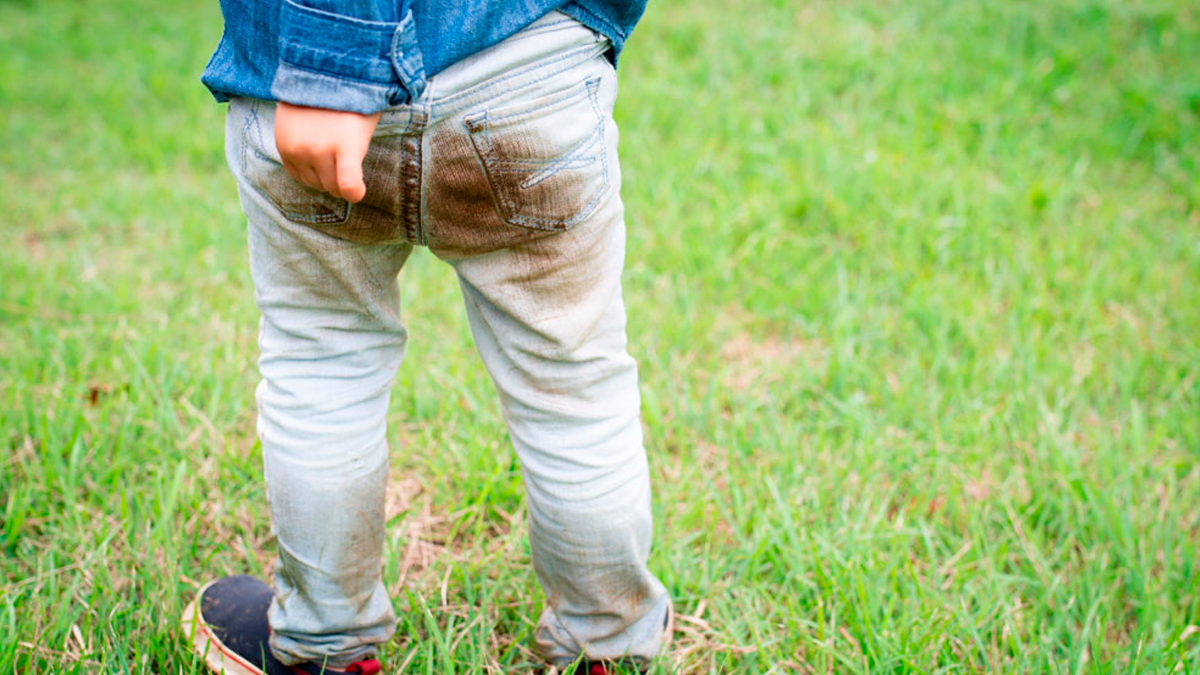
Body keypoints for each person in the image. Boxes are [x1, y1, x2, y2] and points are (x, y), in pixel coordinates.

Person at [179, 1, 673, 674]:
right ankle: (606, 649)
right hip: (528, 61)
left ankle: (327, 646)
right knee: (571, 384)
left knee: (324, 356)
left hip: (308, 81)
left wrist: (332, 62)